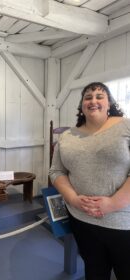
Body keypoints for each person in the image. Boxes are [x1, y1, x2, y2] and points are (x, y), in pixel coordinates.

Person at [49, 82, 130, 280]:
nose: (93, 100)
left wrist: (113, 203)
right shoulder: (67, 136)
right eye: (88, 97)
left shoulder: (126, 127)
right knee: (94, 271)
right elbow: (56, 171)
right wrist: (73, 199)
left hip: (123, 222)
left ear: (109, 103)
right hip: (82, 219)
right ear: (82, 105)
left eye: (99, 96)